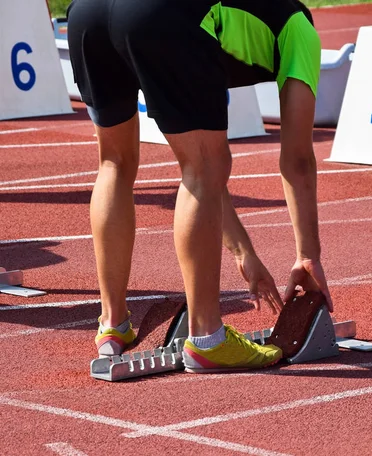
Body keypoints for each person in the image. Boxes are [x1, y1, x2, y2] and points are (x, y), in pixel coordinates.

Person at [66, 0, 333, 373]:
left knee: (115, 163)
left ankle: (112, 325)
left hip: (88, 12)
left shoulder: (229, 22)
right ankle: (208, 338)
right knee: (204, 165)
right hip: (157, 12)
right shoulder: (300, 29)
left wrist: (245, 256)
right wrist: (308, 255)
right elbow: (298, 159)